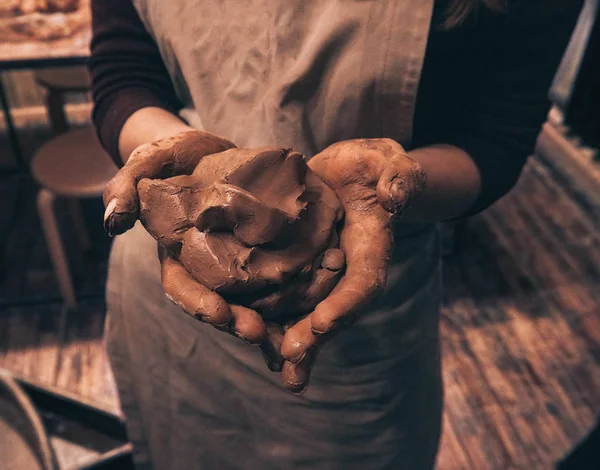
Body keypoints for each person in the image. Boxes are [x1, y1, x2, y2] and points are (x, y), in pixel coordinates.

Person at [88, 0, 582, 468]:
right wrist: (165, 156)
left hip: (359, 304)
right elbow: (125, 72)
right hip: (172, 266)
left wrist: (390, 185)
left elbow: (496, 131)